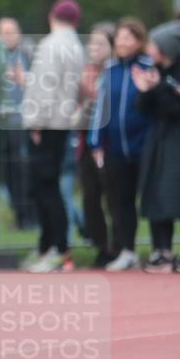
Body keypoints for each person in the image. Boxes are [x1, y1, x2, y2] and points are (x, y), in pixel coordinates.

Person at [21, 0, 84, 273]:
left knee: (46, 188)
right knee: (49, 185)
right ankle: (49, 246)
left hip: (47, 123)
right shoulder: (76, 46)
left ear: (51, 17)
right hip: (62, 121)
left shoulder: (50, 44)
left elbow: (44, 86)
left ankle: (58, 249)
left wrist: (35, 121)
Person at [88, 17, 153, 272]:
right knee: (120, 201)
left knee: (153, 199)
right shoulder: (110, 70)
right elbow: (100, 108)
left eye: (128, 37)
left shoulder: (148, 67)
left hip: (144, 147)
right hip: (116, 148)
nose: (123, 42)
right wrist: (96, 142)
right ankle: (127, 250)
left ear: (139, 41)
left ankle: (162, 249)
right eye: (120, 37)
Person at [132, 29, 180, 273]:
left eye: (153, 46)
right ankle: (161, 251)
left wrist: (159, 88)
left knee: (177, 194)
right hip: (158, 142)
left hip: (178, 141)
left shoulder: (179, 73)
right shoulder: (155, 72)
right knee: (155, 193)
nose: (148, 51)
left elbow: (176, 109)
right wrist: (145, 90)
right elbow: (144, 109)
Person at [77, 23, 115, 267]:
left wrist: (89, 96)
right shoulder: (85, 72)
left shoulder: (115, 72)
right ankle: (102, 246)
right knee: (90, 198)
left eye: (100, 43)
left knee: (115, 199)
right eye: (91, 42)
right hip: (86, 143)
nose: (94, 48)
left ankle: (121, 246)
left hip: (112, 145)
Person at [0, 16, 34, 230]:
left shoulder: (29, 53)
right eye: (2, 32)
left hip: (24, 122)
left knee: (24, 171)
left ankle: (28, 216)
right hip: (3, 124)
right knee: (8, 173)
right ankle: (19, 215)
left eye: (10, 32)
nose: (6, 37)